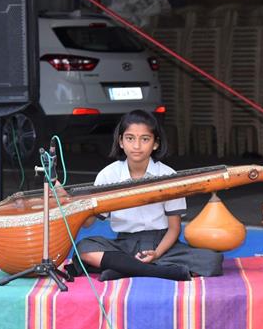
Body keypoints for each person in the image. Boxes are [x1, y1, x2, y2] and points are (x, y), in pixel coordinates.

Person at [71, 109, 222, 281]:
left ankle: (124, 268)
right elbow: (89, 222)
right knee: (84, 248)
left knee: (212, 260)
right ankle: (158, 271)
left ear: (155, 143)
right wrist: (76, 204)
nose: (136, 146)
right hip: (123, 244)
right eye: (130, 138)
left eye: (145, 139)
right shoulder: (108, 175)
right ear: (120, 142)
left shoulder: (169, 175)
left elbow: (174, 229)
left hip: (161, 244)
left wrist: (157, 253)